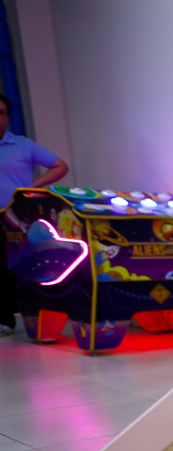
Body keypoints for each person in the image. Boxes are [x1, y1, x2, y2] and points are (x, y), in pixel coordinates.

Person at [0, 93, 69, 336]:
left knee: (23, 266)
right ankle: (4, 319)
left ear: (7, 118)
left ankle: (35, 317)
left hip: (18, 218)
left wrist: (33, 187)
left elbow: (60, 166)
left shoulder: (23, 145)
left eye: (0, 112)